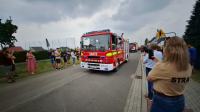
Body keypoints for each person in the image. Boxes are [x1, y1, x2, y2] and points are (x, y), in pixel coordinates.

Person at [147, 36, 192, 112]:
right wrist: (159, 62)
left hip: (162, 101)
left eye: (165, 46)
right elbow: (170, 73)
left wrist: (160, 64)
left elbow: (149, 78)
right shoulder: (188, 67)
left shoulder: (162, 66)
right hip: (180, 100)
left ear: (168, 50)